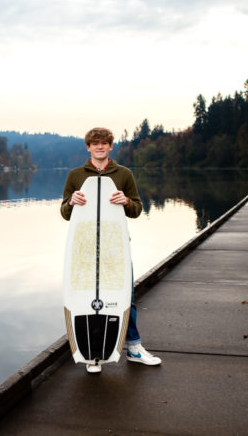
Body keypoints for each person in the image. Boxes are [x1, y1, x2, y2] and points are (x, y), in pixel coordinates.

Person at [60, 127, 163, 374]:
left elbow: (137, 209)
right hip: (84, 250)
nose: (100, 147)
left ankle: (134, 348)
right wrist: (71, 202)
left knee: (125, 297)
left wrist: (125, 201)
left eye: (104, 143)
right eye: (95, 143)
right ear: (88, 147)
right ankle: (92, 355)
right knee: (86, 297)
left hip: (115, 248)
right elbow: (64, 213)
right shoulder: (75, 175)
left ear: (110, 146)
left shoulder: (124, 174)